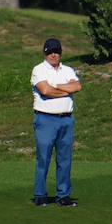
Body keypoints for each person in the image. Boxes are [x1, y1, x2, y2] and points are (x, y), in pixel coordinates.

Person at [31, 37, 81, 207]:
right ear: (45, 53)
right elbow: (45, 90)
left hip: (66, 119)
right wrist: (65, 90)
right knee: (43, 159)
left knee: (65, 159)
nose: (53, 55)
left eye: (56, 51)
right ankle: (40, 195)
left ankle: (63, 195)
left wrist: (56, 87)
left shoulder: (68, 70)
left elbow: (77, 87)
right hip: (46, 119)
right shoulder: (39, 69)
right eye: (50, 52)